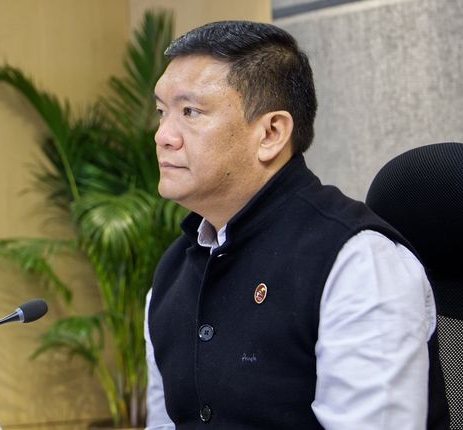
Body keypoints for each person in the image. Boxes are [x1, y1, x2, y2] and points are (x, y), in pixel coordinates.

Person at [144, 20, 446, 429]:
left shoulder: (358, 261)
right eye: (162, 112)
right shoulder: (173, 272)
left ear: (271, 133)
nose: (163, 135)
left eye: (190, 112)